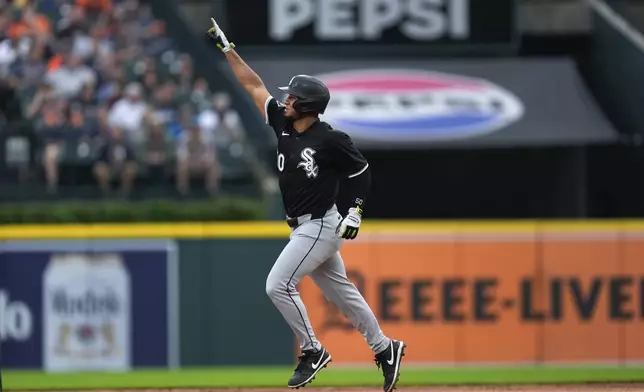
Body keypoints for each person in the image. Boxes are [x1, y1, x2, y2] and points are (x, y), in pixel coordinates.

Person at [206, 18, 406, 392]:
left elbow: (360, 171)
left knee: (277, 285)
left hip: (319, 225)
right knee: (343, 294)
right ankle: (385, 348)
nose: (287, 100)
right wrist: (227, 48)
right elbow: (253, 84)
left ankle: (312, 350)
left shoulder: (330, 139)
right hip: (303, 226)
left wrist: (355, 210)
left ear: (308, 105)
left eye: (294, 97)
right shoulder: (282, 122)